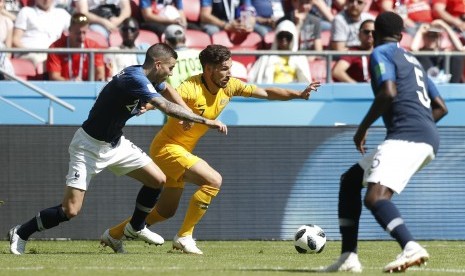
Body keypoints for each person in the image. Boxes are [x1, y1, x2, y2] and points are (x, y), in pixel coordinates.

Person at [8, 43, 228, 255]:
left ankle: (136, 227)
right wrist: (202, 120)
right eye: (170, 68)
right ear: (159, 64)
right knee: (70, 210)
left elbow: (168, 89)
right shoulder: (135, 78)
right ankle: (21, 232)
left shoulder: (151, 77)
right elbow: (162, 104)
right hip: (88, 146)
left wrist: (183, 108)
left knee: (158, 180)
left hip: (116, 143)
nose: (171, 73)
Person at [100, 44, 320, 255]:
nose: (229, 73)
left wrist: (298, 95)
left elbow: (265, 92)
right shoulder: (190, 87)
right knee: (213, 180)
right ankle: (185, 237)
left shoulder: (231, 85)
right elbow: (165, 97)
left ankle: (114, 234)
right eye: (224, 69)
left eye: (230, 68)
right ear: (209, 69)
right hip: (167, 148)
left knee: (165, 211)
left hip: (179, 150)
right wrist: (145, 106)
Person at [323, 12, 448, 273]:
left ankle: (410, 246)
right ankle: (349, 257)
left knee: (375, 197)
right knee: (350, 181)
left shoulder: (380, 52)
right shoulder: (412, 59)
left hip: (407, 136)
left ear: (375, 35)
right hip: (426, 137)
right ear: (402, 36)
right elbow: (441, 107)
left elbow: (388, 92)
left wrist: (363, 129)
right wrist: (419, 127)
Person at [248, 19, 312, 83]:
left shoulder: (300, 58)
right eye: (281, 36)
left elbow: (307, 82)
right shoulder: (266, 58)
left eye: (288, 36)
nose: (284, 39)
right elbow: (251, 78)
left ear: (293, 38)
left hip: (294, 91)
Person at [46, 13, 105, 81]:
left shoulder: (93, 47)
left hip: (88, 88)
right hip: (63, 89)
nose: (81, 37)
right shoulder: (56, 48)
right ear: (70, 30)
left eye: (84, 33)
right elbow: (54, 77)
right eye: (78, 33)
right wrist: (72, 83)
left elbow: (100, 74)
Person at [12, 0, 70, 68]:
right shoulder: (26, 11)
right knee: (43, 60)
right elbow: (15, 40)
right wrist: (31, 51)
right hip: (30, 55)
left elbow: (76, 31)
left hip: (54, 55)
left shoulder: (62, 14)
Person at [163, 24, 202, 88]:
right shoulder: (200, 54)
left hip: (176, 96)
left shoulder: (164, 60)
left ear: (166, 42)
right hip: (201, 96)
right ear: (185, 39)